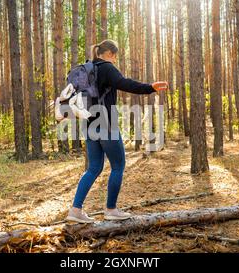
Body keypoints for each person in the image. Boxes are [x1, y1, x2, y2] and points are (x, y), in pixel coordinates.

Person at [65, 40, 168, 223]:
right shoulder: (107, 67)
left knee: (94, 168)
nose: (115, 60)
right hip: (105, 121)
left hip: (88, 122)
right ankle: (111, 209)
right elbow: (125, 83)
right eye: (115, 56)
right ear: (111, 54)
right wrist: (150, 87)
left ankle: (75, 210)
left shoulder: (88, 69)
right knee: (118, 166)